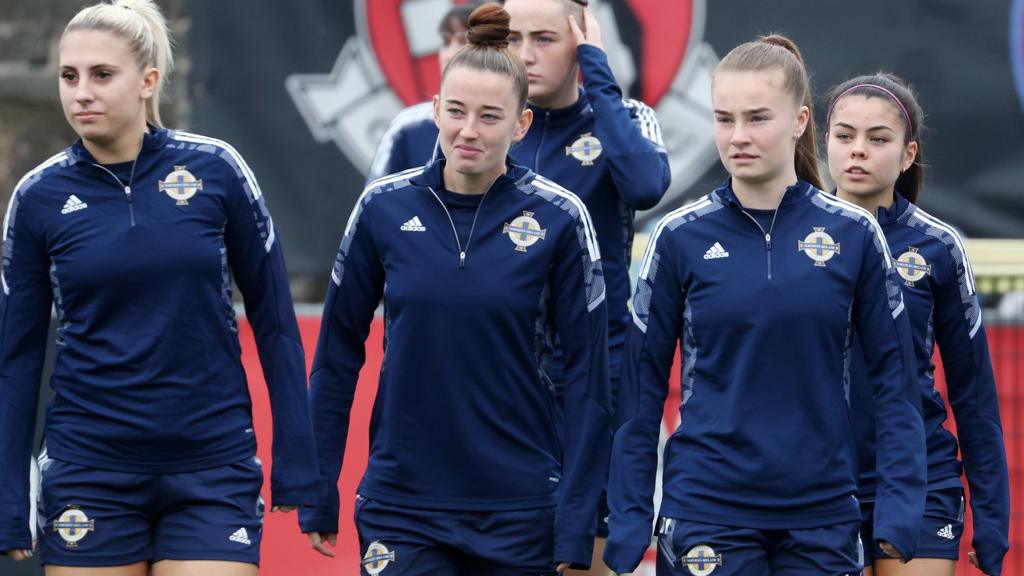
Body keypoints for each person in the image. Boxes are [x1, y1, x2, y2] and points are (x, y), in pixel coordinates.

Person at [0, 0, 318, 573]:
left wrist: (300, 464)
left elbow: (274, 323)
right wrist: (6, 499)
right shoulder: (38, 196)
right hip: (89, 470)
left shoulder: (218, 170)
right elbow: (16, 359)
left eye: (102, 75)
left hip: (211, 467)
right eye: (69, 76)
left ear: (148, 81)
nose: (81, 92)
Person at [298, 4, 610, 574]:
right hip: (403, 502)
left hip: (520, 503)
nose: (469, 131)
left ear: (520, 125)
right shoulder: (383, 208)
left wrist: (576, 519)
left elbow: (590, 379)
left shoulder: (561, 217)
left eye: (491, 117)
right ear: (436, 109)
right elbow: (337, 355)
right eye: (458, 111)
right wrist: (319, 483)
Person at [604, 35, 928, 576]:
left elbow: (897, 388)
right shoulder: (679, 236)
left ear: (801, 120)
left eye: (757, 118)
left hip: (822, 513)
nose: (738, 136)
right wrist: (630, 514)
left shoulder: (854, 235)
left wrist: (897, 512)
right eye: (724, 119)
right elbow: (639, 392)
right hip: (706, 509)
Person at [502, 1, 671, 571]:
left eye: (545, 38)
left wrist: (596, 70)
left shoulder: (624, 118)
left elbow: (647, 184)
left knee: (586, 561)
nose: (526, 55)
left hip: (599, 378)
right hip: (503, 380)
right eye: (514, 38)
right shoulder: (485, 128)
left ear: (581, 38)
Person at [825, 73, 1010, 576]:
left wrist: (993, 518)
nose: (858, 151)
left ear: (907, 155)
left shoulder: (939, 247)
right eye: (844, 136)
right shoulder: (791, 235)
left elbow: (973, 394)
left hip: (922, 478)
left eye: (877, 138)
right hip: (817, 482)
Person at [365, 2, 484, 183]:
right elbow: (373, 204)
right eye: (445, 42)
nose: (449, 53)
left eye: (462, 40)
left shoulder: (520, 122)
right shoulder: (409, 127)